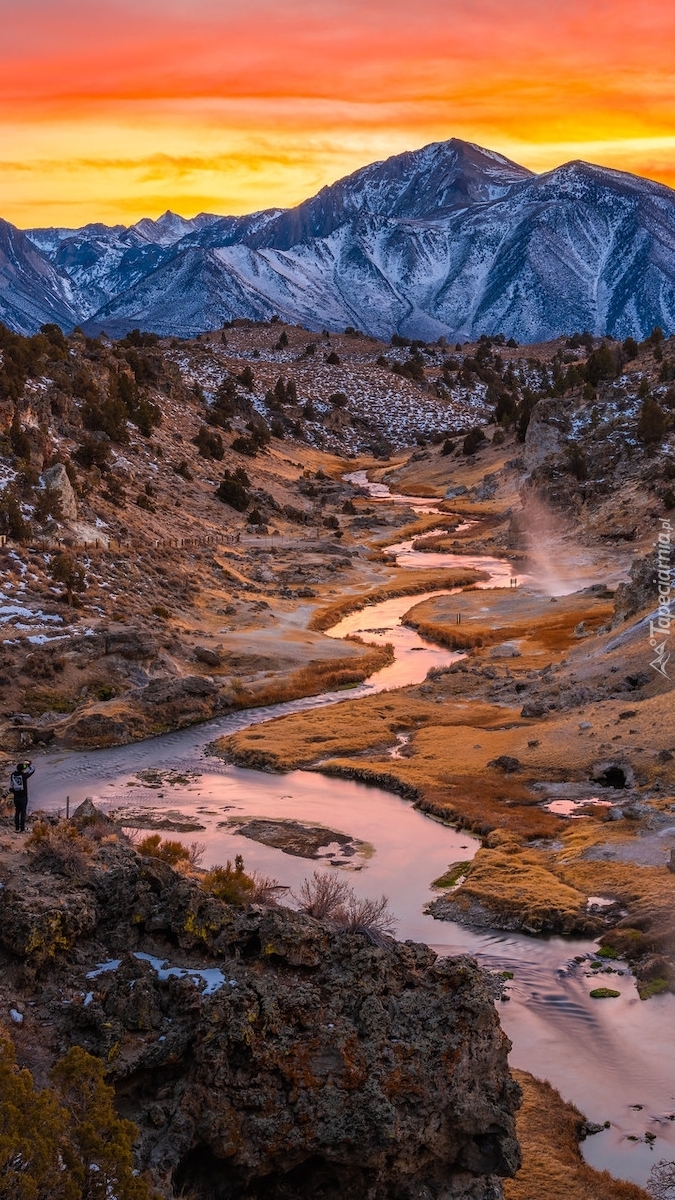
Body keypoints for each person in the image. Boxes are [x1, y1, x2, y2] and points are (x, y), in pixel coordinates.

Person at [10, 760, 34, 833]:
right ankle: (22, 829)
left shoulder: (13, 775)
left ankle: (17, 828)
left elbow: (12, 784)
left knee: (17, 812)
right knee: (23, 812)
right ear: (22, 769)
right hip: (23, 796)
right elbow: (32, 770)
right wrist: (29, 765)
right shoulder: (23, 776)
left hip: (16, 796)